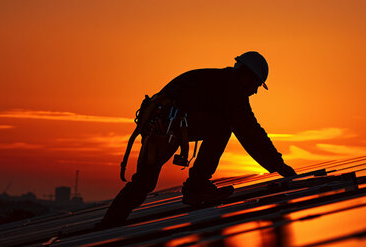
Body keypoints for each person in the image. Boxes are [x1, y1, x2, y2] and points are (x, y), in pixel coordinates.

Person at [99, 51, 296, 227]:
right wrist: (279, 165)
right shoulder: (231, 89)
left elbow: (249, 131)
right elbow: (250, 131)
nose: (255, 91)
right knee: (222, 127)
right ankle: (197, 186)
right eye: (255, 85)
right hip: (165, 128)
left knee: (143, 182)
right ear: (245, 75)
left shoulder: (219, 81)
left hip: (163, 126)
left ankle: (109, 223)